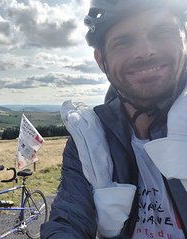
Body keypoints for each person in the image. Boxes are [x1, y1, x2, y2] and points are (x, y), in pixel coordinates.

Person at [41, 0, 187, 238]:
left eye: (162, 32)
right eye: (123, 42)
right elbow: (68, 218)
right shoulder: (90, 139)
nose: (145, 51)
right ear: (101, 61)